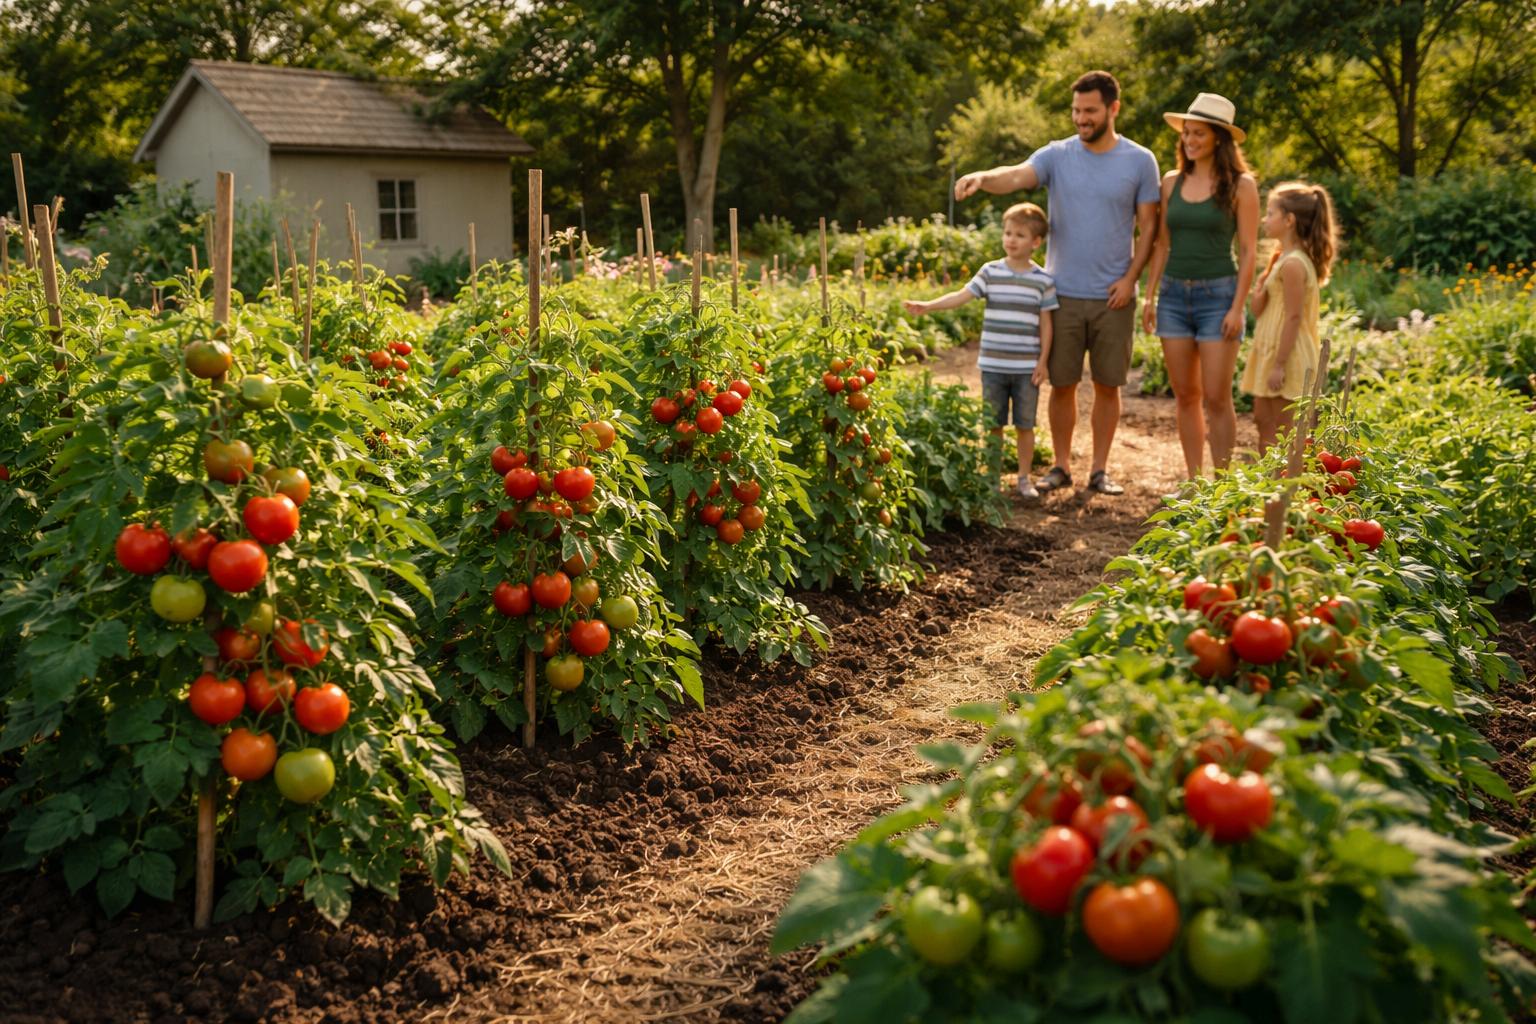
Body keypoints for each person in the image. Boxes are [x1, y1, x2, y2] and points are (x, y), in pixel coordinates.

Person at [953, 70, 1160, 496]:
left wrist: (1130, 280)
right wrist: (982, 178)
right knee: (1061, 384)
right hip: (1060, 294)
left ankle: (1099, 470)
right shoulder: (1057, 155)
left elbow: (1149, 230)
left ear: (1112, 109)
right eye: (1076, 111)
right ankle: (1062, 466)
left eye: (1090, 111)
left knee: (1108, 385)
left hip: (1113, 297)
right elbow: (1015, 175)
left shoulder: (1140, 161)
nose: (1081, 119)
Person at [903, 203, 1058, 499]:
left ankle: (1024, 478)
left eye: (1020, 235)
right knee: (993, 425)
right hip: (993, 365)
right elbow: (961, 295)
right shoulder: (990, 272)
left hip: (1026, 369)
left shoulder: (1043, 281)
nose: (1011, 240)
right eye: (1008, 233)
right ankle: (993, 479)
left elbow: (1046, 325)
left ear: (1036, 242)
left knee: (1025, 425)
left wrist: (1043, 362)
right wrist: (929, 305)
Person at [1140, 93, 1258, 479]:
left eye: (1198, 134)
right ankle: (1194, 483)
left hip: (1218, 298)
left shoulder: (1242, 186)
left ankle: (1223, 487)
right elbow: (1162, 244)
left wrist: (1237, 307)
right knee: (1186, 396)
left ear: (1219, 139)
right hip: (1173, 296)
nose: (1189, 141)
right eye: (1186, 134)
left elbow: (1248, 251)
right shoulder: (1172, 182)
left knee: (1216, 397)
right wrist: (1151, 295)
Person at [1241, 181, 1337, 451]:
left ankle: (1285, 491)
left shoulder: (1294, 264)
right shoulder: (1282, 259)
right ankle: (1271, 489)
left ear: (1289, 220)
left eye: (1270, 213)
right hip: (1271, 350)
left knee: (1283, 433)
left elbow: (1294, 317)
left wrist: (1279, 365)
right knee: (1264, 423)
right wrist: (1261, 283)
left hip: (1287, 356)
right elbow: (1258, 309)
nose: (1264, 219)